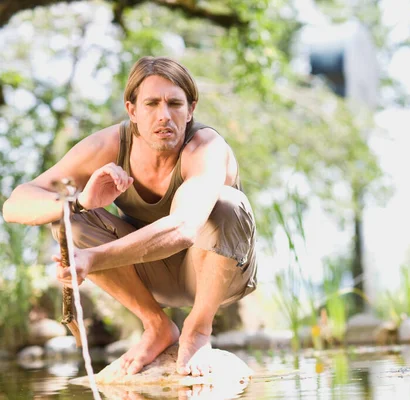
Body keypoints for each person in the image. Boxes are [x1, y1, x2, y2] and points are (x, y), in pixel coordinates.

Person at [2, 56, 257, 376]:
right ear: (132, 110)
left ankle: (198, 328)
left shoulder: (206, 147)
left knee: (227, 203)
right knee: (67, 218)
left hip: (219, 274)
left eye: (175, 104)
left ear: (191, 109)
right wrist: (80, 201)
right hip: (151, 276)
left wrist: (93, 259)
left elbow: (183, 228)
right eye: (151, 103)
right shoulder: (110, 145)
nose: (164, 115)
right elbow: (14, 205)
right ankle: (156, 326)